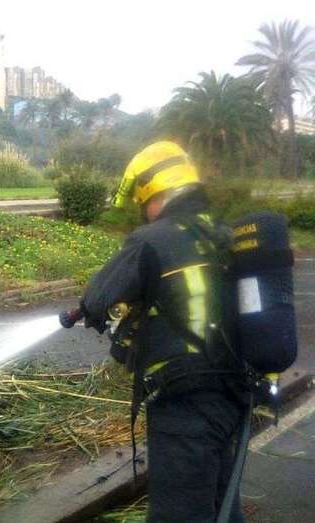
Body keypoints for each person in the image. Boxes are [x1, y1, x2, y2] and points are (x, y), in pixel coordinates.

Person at [75, 142, 248, 522]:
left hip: (183, 403)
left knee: (180, 513)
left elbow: (98, 298)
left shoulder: (151, 239)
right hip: (231, 396)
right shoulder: (217, 232)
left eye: (144, 202)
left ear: (154, 195)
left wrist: (83, 311)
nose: (144, 211)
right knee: (222, 503)